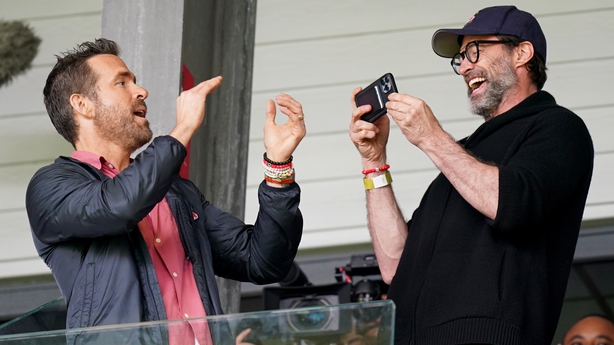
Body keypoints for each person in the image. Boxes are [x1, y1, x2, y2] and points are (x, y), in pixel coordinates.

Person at [26, 38, 306, 344]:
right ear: (82, 105)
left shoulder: (175, 191)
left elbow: (262, 261)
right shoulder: (52, 186)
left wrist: (278, 168)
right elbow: (119, 207)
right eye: (122, 82)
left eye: (135, 81)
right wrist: (183, 128)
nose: (141, 91)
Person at [349, 5, 594, 345]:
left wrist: (431, 137)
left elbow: (510, 204)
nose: (463, 66)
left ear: (522, 53)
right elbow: (395, 267)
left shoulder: (557, 127)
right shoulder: (460, 157)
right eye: (460, 58)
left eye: (474, 50)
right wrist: (374, 162)